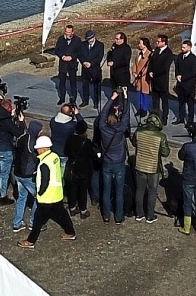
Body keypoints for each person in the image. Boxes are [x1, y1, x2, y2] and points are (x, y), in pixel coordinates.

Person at [20, 135, 76, 248]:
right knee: (61, 215)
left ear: (43, 148)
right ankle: (70, 232)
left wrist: (40, 192)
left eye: (38, 148)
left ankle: (31, 241)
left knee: (38, 220)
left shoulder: (44, 163)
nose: (37, 150)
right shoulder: (54, 156)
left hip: (47, 197)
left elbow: (45, 180)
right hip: (57, 194)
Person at [130, 109, 169, 223]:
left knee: (140, 190)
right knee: (152, 191)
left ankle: (139, 214)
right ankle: (150, 215)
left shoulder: (139, 131)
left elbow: (134, 143)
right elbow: (165, 153)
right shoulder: (161, 136)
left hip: (140, 165)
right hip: (153, 167)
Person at [96, 93, 130, 223]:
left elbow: (103, 113)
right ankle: (118, 216)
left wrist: (112, 98)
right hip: (119, 162)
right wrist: (125, 98)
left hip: (107, 162)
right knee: (119, 190)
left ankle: (106, 215)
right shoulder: (120, 129)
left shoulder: (103, 129)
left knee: (106, 189)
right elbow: (126, 115)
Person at [0, 95, 22, 205]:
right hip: (5, 150)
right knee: (4, 175)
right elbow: (18, 133)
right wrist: (20, 122)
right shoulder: (6, 120)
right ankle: (2, 196)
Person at [11, 120, 42, 233]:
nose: (41, 132)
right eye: (40, 130)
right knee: (38, 198)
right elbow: (35, 158)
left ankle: (17, 223)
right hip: (27, 174)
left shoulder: (22, 137)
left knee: (21, 198)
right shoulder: (32, 142)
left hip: (18, 173)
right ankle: (33, 223)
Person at [64, 122, 97, 219]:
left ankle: (72, 208)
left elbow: (66, 152)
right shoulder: (86, 142)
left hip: (73, 168)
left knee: (72, 188)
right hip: (83, 169)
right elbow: (91, 155)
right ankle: (83, 210)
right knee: (83, 190)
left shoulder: (70, 139)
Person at [172, 40, 196, 126]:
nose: (182, 49)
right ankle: (181, 117)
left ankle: (190, 120)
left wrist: (183, 78)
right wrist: (177, 75)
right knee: (181, 103)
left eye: (184, 47)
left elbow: (193, 72)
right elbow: (177, 67)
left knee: (190, 104)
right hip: (180, 85)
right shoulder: (180, 56)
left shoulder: (193, 59)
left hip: (189, 85)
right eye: (182, 47)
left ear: (189, 47)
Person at [146, 35, 173, 120]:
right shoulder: (156, 50)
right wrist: (150, 71)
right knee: (155, 100)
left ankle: (164, 117)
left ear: (163, 42)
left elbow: (165, 68)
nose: (157, 43)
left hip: (162, 81)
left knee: (164, 101)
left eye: (158, 41)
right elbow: (151, 62)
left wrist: (155, 73)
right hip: (154, 81)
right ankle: (155, 115)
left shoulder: (168, 53)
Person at [53, 24, 81, 104]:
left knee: (73, 82)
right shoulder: (61, 39)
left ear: (73, 32)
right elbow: (57, 50)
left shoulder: (77, 40)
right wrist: (62, 56)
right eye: (66, 32)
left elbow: (79, 51)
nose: (68, 33)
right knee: (62, 82)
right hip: (63, 64)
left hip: (72, 64)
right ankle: (62, 98)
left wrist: (72, 57)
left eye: (69, 32)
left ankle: (73, 99)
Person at [76, 30, 104, 107]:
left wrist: (91, 64)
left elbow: (99, 57)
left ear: (94, 37)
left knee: (96, 86)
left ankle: (96, 102)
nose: (89, 41)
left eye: (90, 39)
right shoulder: (83, 44)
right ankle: (85, 101)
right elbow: (80, 54)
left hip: (95, 69)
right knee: (85, 85)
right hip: (85, 68)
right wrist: (83, 62)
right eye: (87, 39)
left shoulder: (100, 45)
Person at [104, 33, 132, 103]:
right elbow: (109, 54)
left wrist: (114, 63)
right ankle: (114, 107)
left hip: (122, 75)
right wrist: (109, 61)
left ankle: (123, 108)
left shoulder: (127, 48)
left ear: (122, 39)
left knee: (123, 94)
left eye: (117, 39)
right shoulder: (114, 46)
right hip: (113, 74)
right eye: (115, 38)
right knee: (114, 92)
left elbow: (125, 61)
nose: (116, 40)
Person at [130, 35, 152, 115]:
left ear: (145, 45)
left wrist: (141, 74)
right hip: (137, 77)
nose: (139, 45)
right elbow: (135, 64)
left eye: (140, 43)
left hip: (144, 77)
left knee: (144, 93)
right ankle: (139, 108)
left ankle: (144, 109)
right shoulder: (138, 53)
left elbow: (148, 66)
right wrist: (134, 72)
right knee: (138, 92)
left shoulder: (149, 54)